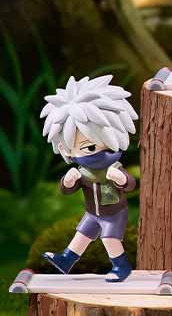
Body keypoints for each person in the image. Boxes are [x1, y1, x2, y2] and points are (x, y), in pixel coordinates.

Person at [40, 75, 138, 281]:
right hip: (92, 213)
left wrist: (121, 179)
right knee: (81, 236)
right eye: (87, 147)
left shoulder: (113, 168)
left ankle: (121, 267)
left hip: (114, 213)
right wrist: (68, 181)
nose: (95, 153)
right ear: (65, 148)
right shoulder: (82, 172)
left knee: (109, 239)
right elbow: (66, 190)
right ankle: (66, 259)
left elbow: (130, 184)